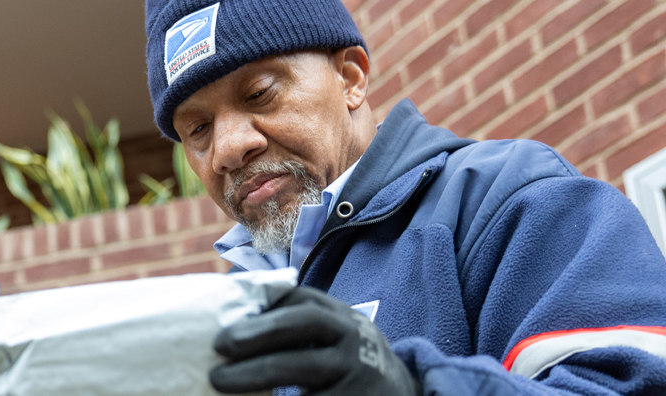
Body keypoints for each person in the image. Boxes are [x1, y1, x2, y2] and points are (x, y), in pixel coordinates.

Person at [145, 1, 666, 395]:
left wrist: (408, 386)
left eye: (259, 93)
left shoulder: (511, 198)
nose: (229, 149)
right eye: (198, 129)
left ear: (350, 78)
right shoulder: (228, 305)